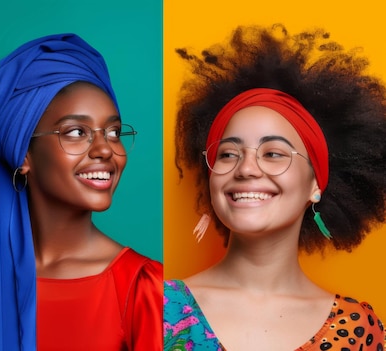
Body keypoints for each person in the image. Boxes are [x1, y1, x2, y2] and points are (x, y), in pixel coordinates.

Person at [163, 24, 386, 351]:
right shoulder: (152, 308)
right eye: (228, 154)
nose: (247, 168)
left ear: (315, 184)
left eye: (274, 153)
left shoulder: (359, 329)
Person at [0, 33, 163, 350]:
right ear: (23, 154)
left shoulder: (144, 287)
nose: (105, 149)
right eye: (76, 132)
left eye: (113, 132)